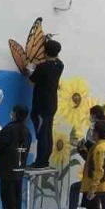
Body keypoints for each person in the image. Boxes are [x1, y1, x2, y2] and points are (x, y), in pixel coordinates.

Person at [0, 104, 32, 209]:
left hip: (7, 167)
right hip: (19, 166)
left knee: (8, 192)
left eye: (13, 111)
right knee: (17, 191)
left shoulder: (9, 129)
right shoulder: (27, 130)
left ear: (15, 113)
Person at [25, 39, 64, 168]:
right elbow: (54, 60)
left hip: (41, 105)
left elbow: (31, 81)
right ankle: (45, 160)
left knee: (42, 134)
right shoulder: (59, 65)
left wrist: (29, 71)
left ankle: (40, 162)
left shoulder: (43, 67)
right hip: (52, 103)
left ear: (45, 52)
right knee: (47, 132)